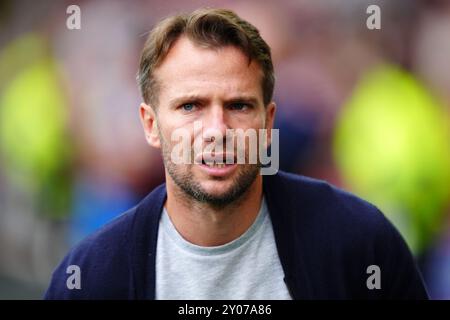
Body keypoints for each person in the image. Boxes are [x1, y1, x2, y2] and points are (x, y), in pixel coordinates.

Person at [44, 8, 428, 300]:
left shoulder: (360, 244)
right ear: (150, 125)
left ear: (268, 122)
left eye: (239, 106)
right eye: (190, 106)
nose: (217, 130)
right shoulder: (90, 277)